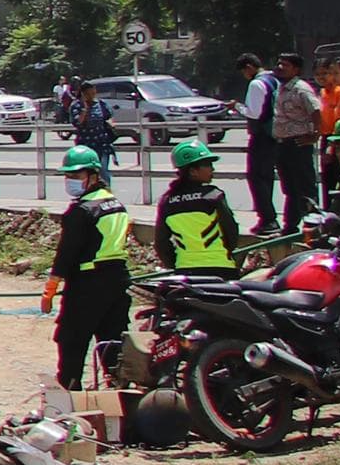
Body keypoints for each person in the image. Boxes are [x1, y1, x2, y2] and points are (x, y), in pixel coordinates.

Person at [43, 145, 133, 392]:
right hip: (118, 281)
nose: (71, 181)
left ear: (93, 176)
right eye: (68, 176)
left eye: (76, 176)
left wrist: (51, 286)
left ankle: (70, 393)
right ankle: (119, 393)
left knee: (71, 340)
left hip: (87, 283)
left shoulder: (82, 211)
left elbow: (66, 253)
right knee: (112, 342)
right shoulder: (115, 204)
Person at [154, 137, 243, 277]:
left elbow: (161, 243)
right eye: (207, 164)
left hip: (185, 271)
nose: (212, 169)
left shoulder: (166, 201)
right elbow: (231, 232)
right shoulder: (213, 196)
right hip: (221, 269)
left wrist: (175, 264)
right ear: (192, 171)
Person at [267, 50, 325, 231]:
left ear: (296, 69)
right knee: (289, 188)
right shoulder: (281, 88)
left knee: (305, 186)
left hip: (299, 144)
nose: (280, 67)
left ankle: (313, 226)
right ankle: (290, 225)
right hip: (283, 144)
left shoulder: (301, 89)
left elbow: (316, 111)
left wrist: (316, 134)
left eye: (285, 65)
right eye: (279, 63)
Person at [236, 53, 286, 238]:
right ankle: (268, 216)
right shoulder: (275, 80)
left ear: (248, 67)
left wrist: (238, 108)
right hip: (276, 134)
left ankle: (267, 218)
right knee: (267, 177)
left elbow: (254, 113)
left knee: (256, 177)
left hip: (262, 136)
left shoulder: (257, 84)